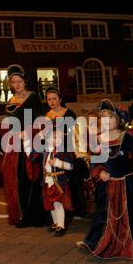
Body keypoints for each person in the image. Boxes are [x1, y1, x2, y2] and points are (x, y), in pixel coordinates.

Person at [77, 99, 133, 259]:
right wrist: (99, 171)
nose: (106, 121)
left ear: (119, 120)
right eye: (103, 117)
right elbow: (95, 162)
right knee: (103, 213)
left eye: (110, 117)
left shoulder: (126, 137)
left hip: (128, 184)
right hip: (108, 186)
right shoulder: (98, 140)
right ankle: (95, 241)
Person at [0, 64, 50, 227]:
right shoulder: (10, 101)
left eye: (19, 81)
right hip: (15, 146)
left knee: (32, 179)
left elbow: (42, 120)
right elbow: (11, 125)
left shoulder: (33, 97)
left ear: (25, 82)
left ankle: (35, 215)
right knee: (17, 180)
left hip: (31, 144)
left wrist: (28, 132)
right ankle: (22, 214)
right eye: (13, 82)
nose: (16, 85)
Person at [45, 86, 88, 224]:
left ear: (60, 100)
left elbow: (76, 132)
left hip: (68, 149)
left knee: (73, 180)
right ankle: (63, 212)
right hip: (54, 150)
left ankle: (78, 211)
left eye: (54, 99)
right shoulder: (47, 115)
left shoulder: (69, 113)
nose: (52, 101)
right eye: (49, 99)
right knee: (58, 182)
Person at [34, 128, 74, 237]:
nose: (58, 139)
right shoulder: (46, 151)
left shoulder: (64, 151)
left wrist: (59, 163)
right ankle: (55, 223)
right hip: (48, 181)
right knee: (50, 203)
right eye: (55, 137)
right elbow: (33, 156)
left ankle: (61, 225)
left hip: (59, 182)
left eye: (60, 137)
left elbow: (71, 166)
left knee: (58, 203)